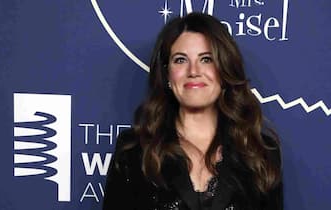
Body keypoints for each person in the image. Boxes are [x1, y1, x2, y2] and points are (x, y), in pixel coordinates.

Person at [102, 12, 282, 210]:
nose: (193, 71)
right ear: (167, 74)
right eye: (180, 60)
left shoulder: (259, 151)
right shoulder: (135, 150)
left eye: (206, 59)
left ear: (224, 70)